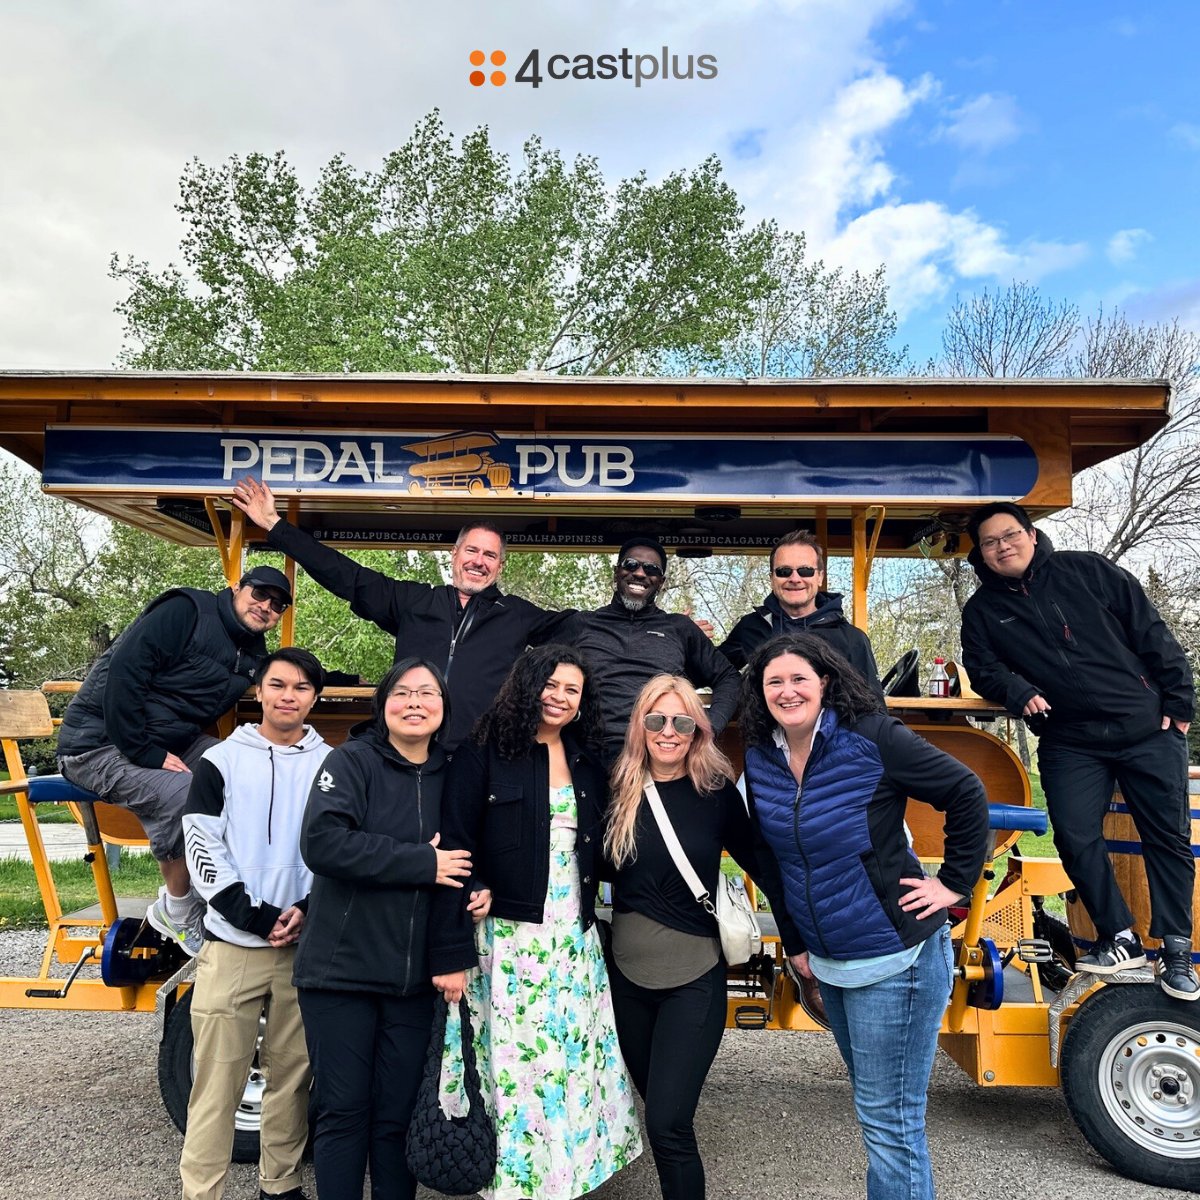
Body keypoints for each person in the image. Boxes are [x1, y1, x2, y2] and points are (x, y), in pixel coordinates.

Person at [741, 633, 988, 1200]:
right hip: (831, 961)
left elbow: (965, 791)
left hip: (895, 958)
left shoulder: (872, 737)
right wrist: (797, 941)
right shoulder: (762, 759)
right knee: (878, 1112)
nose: (786, 690)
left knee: (890, 1124)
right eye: (773, 681)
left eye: (798, 678)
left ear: (825, 681)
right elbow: (773, 860)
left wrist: (952, 883)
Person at [429, 645, 642, 1200]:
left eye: (572, 690)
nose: (560, 696)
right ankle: (509, 1182)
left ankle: (563, 1179)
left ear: (580, 703)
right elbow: (455, 847)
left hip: (572, 941)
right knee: (516, 1071)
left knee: (571, 1066)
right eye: (551, 684)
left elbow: (605, 848)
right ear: (527, 684)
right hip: (509, 940)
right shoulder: (482, 752)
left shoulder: (587, 761)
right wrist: (455, 939)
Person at [961, 501, 1198, 998]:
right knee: (1072, 834)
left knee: (1167, 837)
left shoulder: (1087, 570)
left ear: (1030, 534)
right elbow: (982, 668)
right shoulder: (983, 610)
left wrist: (1178, 704)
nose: (1002, 546)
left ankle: (1177, 950)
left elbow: (1152, 632)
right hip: (1070, 739)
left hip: (1146, 728)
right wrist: (1017, 689)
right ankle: (1121, 937)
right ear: (980, 554)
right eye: (990, 542)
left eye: (1009, 535)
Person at [602, 674, 795, 1200]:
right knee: (656, 1107)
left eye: (682, 722)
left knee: (668, 1124)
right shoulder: (613, 789)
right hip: (625, 980)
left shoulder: (714, 794)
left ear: (697, 731)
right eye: (656, 720)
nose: (668, 731)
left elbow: (764, 864)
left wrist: (799, 942)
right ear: (639, 726)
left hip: (693, 981)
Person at [292, 658, 478, 1200]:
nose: (415, 703)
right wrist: (421, 863)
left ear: (444, 709)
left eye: (427, 694)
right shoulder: (352, 762)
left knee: (397, 1120)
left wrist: (480, 885)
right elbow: (324, 843)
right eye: (402, 693)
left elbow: (473, 847)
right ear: (383, 705)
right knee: (344, 1113)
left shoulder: (457, 770)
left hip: (415, 980)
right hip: (340, 973)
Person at [57, 566, 294, 955]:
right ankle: (178, 907)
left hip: (172, 741)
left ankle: (226, 895)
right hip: (98, 744)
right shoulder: (186, 610)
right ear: (237, 587)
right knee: (187, 794)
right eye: (260, 594)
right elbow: (124, 673)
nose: (266, 606)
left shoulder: (252, 651)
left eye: (277, 604)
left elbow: (274, 676)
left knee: (248, 770)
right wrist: (145, 752)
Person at [231, 477, 567, 751]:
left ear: (500, 565)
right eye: (472, 550)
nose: (479, 561)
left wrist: (623, 583)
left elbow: (582, 626)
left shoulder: (517, 615)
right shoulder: (414, 601)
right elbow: (347, 577)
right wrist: (275, 526)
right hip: (407, 752)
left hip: (479, 759)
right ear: (454, 554)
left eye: (490, 555)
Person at [179, 646, 332, 1200]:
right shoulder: (220, 761)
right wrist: (256, 915)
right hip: (232, 947)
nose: (287, 696)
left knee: (291, 1082)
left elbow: (336, 848)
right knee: (216, 1084)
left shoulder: (331, 765)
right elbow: (201, 844)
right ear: (259, 691)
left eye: (300, 687)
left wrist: (307, 910)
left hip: (303, 948)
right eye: (277, 684)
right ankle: (202, 1190)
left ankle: (280, 1186)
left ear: (315, 697)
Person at [558, 538, 740, 763]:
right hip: (588, 756)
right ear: (617, 572)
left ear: (661, 581)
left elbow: (728, 677)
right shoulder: (582, 624)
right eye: (631, 565)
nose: (640, 573)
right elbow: (534, 671)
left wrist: (708, 728)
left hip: (657, 757)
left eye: (651, 569)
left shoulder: (679, 628)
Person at [718, 529, 884, 698]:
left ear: (819, 577)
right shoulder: (751, 627)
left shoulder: (852, 639)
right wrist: (692, 637)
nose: (795, 579)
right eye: (784, 571)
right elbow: (709, 672)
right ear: (772, 579)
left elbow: (874, 708)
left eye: (805, 571)